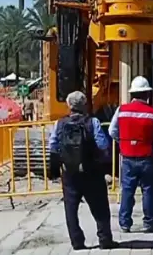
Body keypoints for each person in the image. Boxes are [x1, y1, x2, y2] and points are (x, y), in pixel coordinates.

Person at [48, 91, 116, 250]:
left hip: (69, 172)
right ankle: (105, 239)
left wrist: (55, 169)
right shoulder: (92, 122)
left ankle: (77, 242)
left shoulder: (60, 124)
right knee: (100, 206)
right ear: (84, 105)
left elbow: (53, 146)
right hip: (91, 171)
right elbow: (103, 144)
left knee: (71, 209)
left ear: (68, 105)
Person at [108, 76, 153, 233]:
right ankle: (149, 223)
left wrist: (124, 141)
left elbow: (112, 131)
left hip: (127, 157)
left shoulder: (121, 111)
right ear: (147, 94)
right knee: (149, 190)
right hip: (148, 157)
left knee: (127, 190)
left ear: (132, 94)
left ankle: (125, 223)